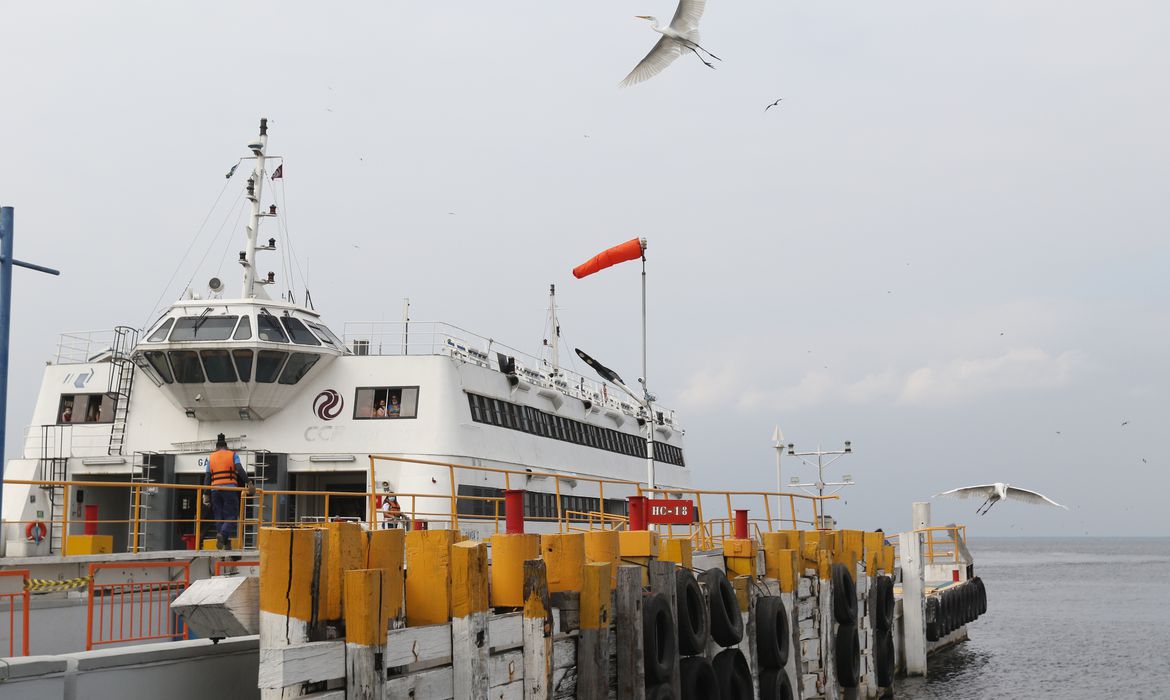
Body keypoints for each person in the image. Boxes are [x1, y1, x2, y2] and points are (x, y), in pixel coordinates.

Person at [203, 433, 252, 550]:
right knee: (231, 515)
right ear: (226, 447)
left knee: (219, 517)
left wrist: (206, 494)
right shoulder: (233, 455)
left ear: (216, 447)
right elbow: (239, 469)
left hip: (215, 490)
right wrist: (249, 482)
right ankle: (223, 535)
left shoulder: (212, 457)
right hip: (229, 489)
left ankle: (225, 542)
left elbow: (207, 477)